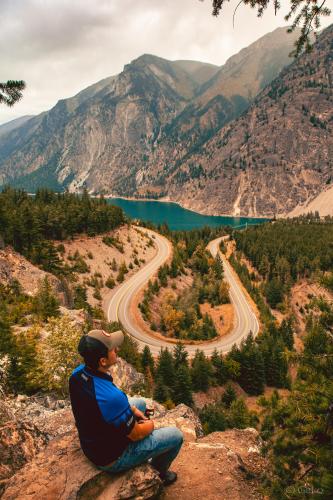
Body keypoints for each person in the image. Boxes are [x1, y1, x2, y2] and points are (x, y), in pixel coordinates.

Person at [69, 329, 183, 485]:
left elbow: (100, 405)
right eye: (113, 349)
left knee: (140, 404)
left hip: (92, 441)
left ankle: (136, 421)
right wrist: (151, 425)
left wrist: (133, 411)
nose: (117, 350)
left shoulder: (77, 375)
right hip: (111, 458)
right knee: (176, 436)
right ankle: (158, 473)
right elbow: (136, 434)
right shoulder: (112, 398)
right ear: (103, 361)